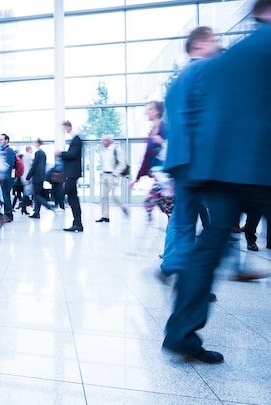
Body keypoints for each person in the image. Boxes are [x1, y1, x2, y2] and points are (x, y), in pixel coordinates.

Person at [162, 0, 271, 365]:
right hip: (255, 162)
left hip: (215, 165)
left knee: (206, 244)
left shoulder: (228, 58)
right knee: (200, 238)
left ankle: (181, 332)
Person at [159, 27, 220, 282]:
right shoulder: (204, 71)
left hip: (179, 162)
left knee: (184, 222)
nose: (216, 47)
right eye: (213, 42)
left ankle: (175, 265)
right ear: (198, 44)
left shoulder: (176, 81)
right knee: (220, 220)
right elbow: (210, 117)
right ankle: (194, 279)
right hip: (200, 160)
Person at [95, 135, 128, 223]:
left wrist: (115, 173)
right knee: (103, 196)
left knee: (114, 196)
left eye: (104, 140)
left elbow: (122, 164)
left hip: (112, 176)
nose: (103, 142)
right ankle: (105, 216)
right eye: (102, 140)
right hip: (104, 175)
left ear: (109, 141)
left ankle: (123, 208)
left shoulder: (116, 150)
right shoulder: (103, 152)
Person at [61, 121, 84, 232]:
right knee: (72, 198)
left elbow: (73, 155)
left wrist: (61, 154)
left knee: (65, 194)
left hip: (72, 174)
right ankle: (77, 223)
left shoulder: (76, 139)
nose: (66, 130)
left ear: (69, 127)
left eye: (66, 128)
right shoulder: (75, 140)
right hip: (72, 173)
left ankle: (53, 204)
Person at [25, 138, 54, 219]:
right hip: (41, 177)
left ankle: (48, 206)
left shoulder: (38, 153)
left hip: (37, 177)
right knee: (38, 194)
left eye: (35, 142)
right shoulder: (43, 153)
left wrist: (28, 177)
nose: (34, 143)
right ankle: (37, 212)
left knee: (37, 195)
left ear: (38, 143)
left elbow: (34, 166)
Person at [0, 133, 15, 221]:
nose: (0, 141)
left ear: (6, 140)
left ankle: (8, 215)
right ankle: (7, 215)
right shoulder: (2, 150)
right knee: (5, 196)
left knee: (6, 196)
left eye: (2, 139)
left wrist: (4, 175)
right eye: (0, 139)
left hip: (6, 177)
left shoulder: (9, 150)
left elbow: (10, 164)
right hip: (3, 177)